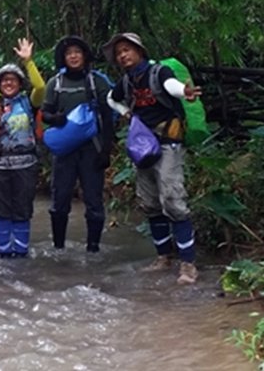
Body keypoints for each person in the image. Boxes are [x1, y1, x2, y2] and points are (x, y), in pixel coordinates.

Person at [103, 33, 203, 285]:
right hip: (143, 147)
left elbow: (171, 86)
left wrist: (185, 92)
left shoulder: (159, 72)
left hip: (168, 143)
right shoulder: (127, 81)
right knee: (149, 202)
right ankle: (163, 257)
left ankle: (188, 265)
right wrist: (125, 112)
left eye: (127, 50)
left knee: (173, 199)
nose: (123, 55)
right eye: (119, 53)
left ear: (139, 50)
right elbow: (110, 98)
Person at [41, 36, 116, 253]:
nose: (73, 56)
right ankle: (59, 248)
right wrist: (54, 119)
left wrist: (106, 149)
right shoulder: (55, 83)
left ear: (84, 56)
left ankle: (93, 249)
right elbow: (44, 113)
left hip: (92, 150)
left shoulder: (98, 81)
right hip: (64, 151)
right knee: (59, 201)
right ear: (63, 58)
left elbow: (107, 115)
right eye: (68, 53)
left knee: (93, 200)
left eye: (77, 52)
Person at [0, 38, 46, 258]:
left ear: (19, 83)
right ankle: (4, 254)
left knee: (22, 211)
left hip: (25, 163)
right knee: (0, 211)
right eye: (4, 80)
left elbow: (41, 87)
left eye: (12, 80)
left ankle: (21, 253)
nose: (8, 83)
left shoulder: (28, 102)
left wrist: (28, 61)